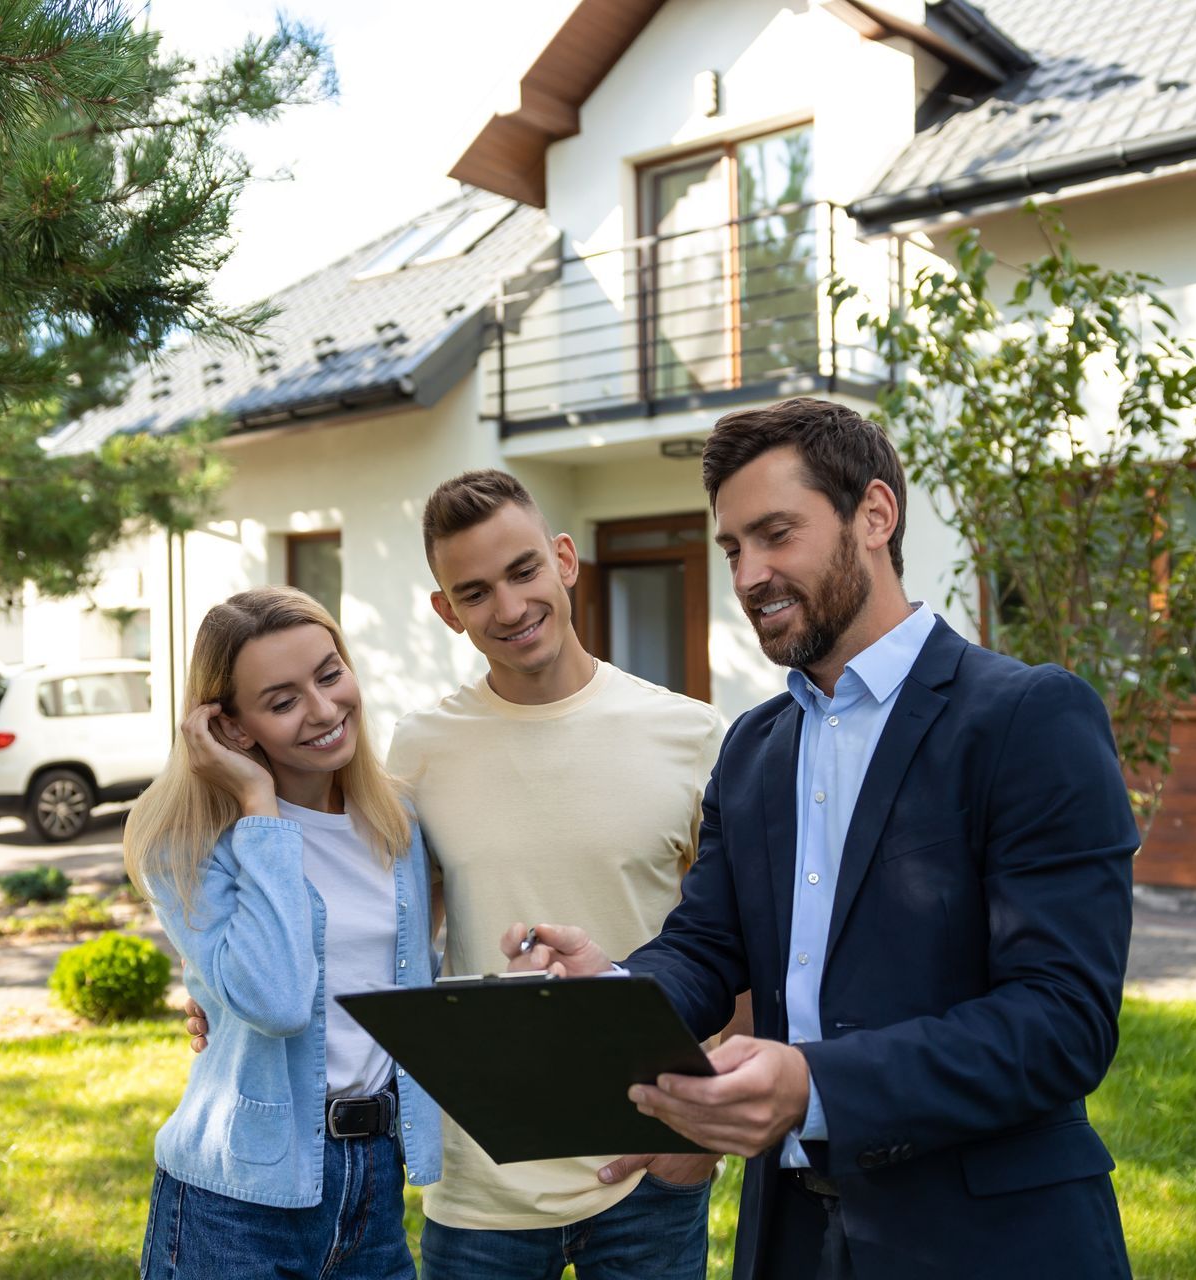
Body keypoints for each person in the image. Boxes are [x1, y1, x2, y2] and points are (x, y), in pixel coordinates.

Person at [505, 397, 1137, 1279]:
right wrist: (610, 988)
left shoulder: (1027, 717)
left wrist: (816, 1086)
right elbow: (706, 945)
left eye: (776, 534)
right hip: (790, 1239)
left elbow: (1063, 1021)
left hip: (987, 1240)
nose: (750, 573)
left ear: (875, 516)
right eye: (733, 549)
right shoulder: (755, 748)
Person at [187, 470, 731, 1280]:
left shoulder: (693, 736)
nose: (509, 609)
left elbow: (738, 950)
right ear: (446, 611)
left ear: (564, 560)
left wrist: (694, 1135)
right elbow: (367, 920)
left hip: (646, 1168)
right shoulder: (418, 752)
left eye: (522, 573)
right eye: (474, 592)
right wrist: (215, 988)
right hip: (480, 1185)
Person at [124, 586, 441, 1280]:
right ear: (231, 729)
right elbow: (277, 1000)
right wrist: (259, 808)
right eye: (282, 700)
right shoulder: (186, 844)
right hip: (236, 1201)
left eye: (329, 675)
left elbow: (409, 977)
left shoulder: (399, 824)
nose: (324, 710)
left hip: (374, 1185)